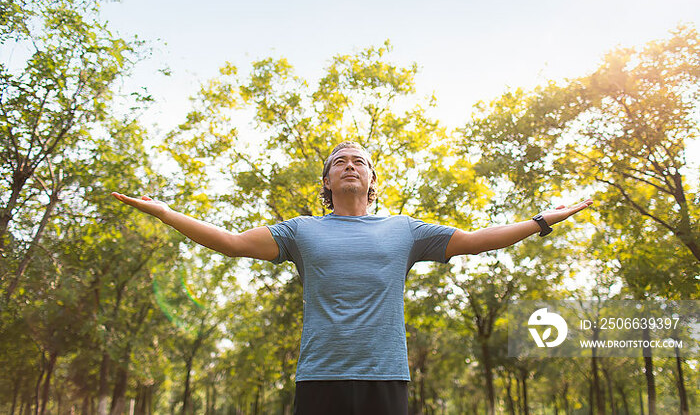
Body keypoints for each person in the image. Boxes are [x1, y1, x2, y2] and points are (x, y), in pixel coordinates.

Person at [112, 141, 593, 415]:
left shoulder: (405, 230)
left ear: (371, 180)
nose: (349, 165)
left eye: (358, 161)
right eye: (339, 161)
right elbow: (233, 242)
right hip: (320, 376)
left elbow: (474, 240)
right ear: (326, 182)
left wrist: (541, 220)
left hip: (385, 377)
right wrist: (165, 212)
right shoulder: (300, 231)